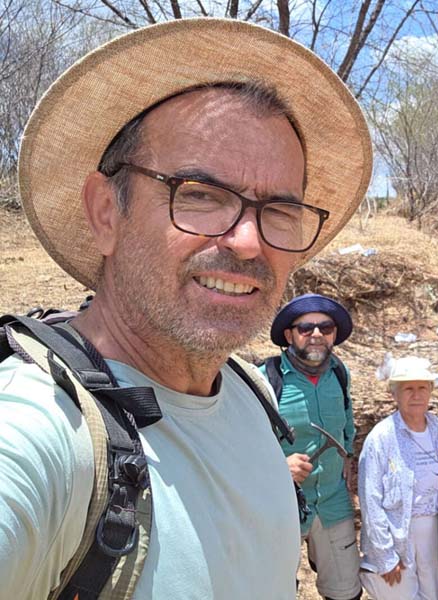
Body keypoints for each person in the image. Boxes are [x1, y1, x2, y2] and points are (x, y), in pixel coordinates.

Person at [0, 18, 372, 599]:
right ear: (105, 213)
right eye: (199, 195)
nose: (248, 241)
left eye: (279, 210)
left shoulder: (251, 392)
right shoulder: (42, 430)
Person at [261, 293, 361, 600]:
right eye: (305, 328)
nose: (316, 334)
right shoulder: (264, 380)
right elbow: (239, 444)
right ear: (289, 335)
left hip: (333, 501)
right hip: (280, 505)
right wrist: (278, 468)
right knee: (273, 590)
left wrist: (348, 455)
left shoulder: (339, 374)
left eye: (325, 327)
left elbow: (347, 421)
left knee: (345, 591)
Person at [358, 357, 438, 600]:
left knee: (433, 593)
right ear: (394, 394)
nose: (416, 395)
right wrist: (385, 556)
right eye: (408, 389)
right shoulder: (381, 437)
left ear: (431, 391)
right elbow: (370, 500)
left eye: (422, 387)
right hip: (397, 535)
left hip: (433, 528)